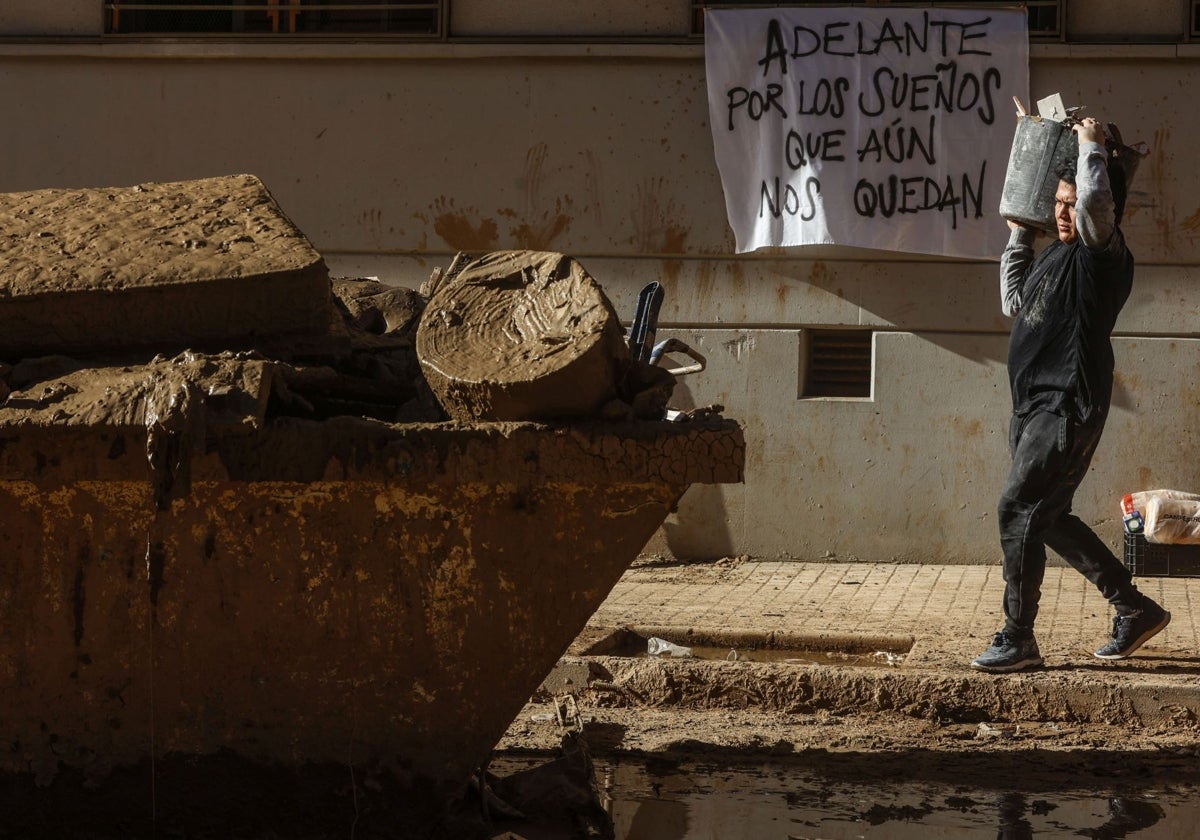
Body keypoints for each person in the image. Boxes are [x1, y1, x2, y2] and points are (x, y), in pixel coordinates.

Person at [972, 116, 1169, 673]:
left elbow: (1094, 208)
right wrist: (1017, 234)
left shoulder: (1101, 256)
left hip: (1065, 407)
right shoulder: (1056, 254)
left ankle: (1018, 638)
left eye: (1070, 201)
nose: (1062, 211)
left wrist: (1089, 147)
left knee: (1017, 508)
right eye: (1055, 201)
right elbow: (1015, 301)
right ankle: (1133, 608)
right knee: (1048, 515)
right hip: (1033, 407)